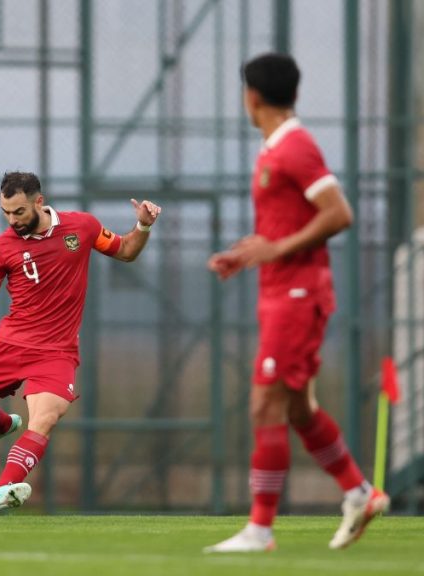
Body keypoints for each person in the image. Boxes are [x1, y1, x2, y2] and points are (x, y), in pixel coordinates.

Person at [205, 53, 388, 553]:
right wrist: (248, 253)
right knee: (300, 409)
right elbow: (283, 228)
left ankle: (260, 529)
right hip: (280, 291)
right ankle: (358, 492)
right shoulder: (273, 149)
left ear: (252, 97)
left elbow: (339, 213)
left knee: (265, 401)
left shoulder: (295, 147)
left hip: (298, 294)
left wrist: (277, 250)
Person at [0, 171, 161, 514]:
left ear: (39, 202)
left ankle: (3, 488)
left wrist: (143, 227)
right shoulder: (4, 247)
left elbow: (124, 251)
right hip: (11, 343)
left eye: (18, 211)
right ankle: (3, 424)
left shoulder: (82, 228)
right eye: (6, 212)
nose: (12, 220)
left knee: (46, 417)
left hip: (56, 351)